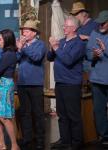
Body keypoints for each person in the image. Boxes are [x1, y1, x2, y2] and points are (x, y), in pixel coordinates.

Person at [48, 16, 85, 150]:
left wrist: (56, 48)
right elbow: (49, 57)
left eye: (66, 26)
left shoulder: (79, 44)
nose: (64, 28)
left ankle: (76, 142)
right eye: (64, 26)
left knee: (73, 115)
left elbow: (68, 60)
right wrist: (53, 48)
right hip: (60, 83)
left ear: (74, 28)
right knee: (62, 115)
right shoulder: (62, 41)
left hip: (71, 84)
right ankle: (65, 140)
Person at [16, 20, 46, 150]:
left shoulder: (40, 44)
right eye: (23, 30)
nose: (24, 33)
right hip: (22, 83)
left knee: (38, 113)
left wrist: (24, 48)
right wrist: (18, 49)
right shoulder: (22, 45)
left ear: (34, 33)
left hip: (35, 84)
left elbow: (37, 57)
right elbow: (16, 59)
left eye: (27, 31)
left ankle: (40, 139)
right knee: (25, 112)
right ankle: (27, 138)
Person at [86, 10, 108, 148]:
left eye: (104, 23)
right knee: (98, 109)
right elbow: (88, 54)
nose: (101, 25)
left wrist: (105, 50)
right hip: (97, 78)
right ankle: (104, 136)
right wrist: (95, 54)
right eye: (99, 22)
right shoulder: (94, 34)